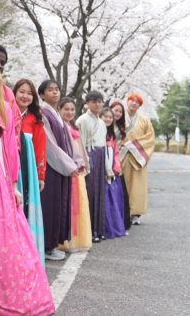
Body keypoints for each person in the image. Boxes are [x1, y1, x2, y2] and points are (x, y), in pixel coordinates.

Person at [0, 59, 54, 315]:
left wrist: (15, 185)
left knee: (7, 233)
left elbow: (11, 150)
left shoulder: (5, 108)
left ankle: (9, 295)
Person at [39, 80, 85, 260]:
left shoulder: (57, 115)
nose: (55, 92)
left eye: (57, 89)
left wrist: (76, 161)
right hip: (52, 167)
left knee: (59, 203)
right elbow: (50, 145)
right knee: (50, 204)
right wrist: (69, 165)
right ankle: (47, 246)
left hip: (61, 167)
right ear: (42, 95)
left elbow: (68, 142)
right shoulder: (43, 114)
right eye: (50, 90)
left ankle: (53, 244)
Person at [13, 78, 47, 265]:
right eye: (21, 92)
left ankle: (27, 251)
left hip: (28, 167)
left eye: (29, 93)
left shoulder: (35, 118)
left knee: (26, 203)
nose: (25, 96)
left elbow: (40, 146)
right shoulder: (7, 113)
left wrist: (41, 175)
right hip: (11, 164)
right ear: (14, 93)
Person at [76, 91, 113, 243]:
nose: (97, 104)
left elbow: (103, 145)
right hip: (89, 156)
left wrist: (107, 168)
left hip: (100, 155)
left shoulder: (102, 122)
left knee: (100, 194)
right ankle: (89, 231)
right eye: (94, 101)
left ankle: (98, 229)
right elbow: (80, 143)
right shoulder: (82, 120)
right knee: (90, 194)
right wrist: (84, 163)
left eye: (100, 102)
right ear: (87, 103)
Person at [58, 97, 93, 253]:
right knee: (69, 203)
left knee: (78, 202)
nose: (70, 112)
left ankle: (77, 239)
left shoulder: (74, 126)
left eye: (72, 109)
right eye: (66, 109)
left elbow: (81, 147)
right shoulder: (59, 126)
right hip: (67, 168)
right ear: (59, 109)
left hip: (77, 170)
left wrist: (84, 163)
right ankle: (67, 241)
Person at [121, 94, 156, 225]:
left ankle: (135, 214)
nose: (134, 103)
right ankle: (122, 212)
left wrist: (131, 146)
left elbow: (150, 138)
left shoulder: (144, 120)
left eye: (137, 102)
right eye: (132, 100)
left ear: (139, 106)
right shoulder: (119, 116)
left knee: (137, 186)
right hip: (122, 156)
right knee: (122, 184)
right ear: (127, 101)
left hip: (137, 158)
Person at [100, 108, 127, 239]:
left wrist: (116, 168)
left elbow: (115, 153)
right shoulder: (99, 133)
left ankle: (115, 227)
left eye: (110, 117)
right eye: (105, 116)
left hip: (112, 173)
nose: (108, 119)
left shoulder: (112, 135)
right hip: (103, 172)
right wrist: (106, 170)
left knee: (114, 200)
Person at [111, 101, 131, 232]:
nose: (117, 113)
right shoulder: (104, 124)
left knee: (120, 192)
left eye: (120, 112)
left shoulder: (120, 128)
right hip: (107, 160)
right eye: (115, 110)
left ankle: (122, 221)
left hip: (117, 161)